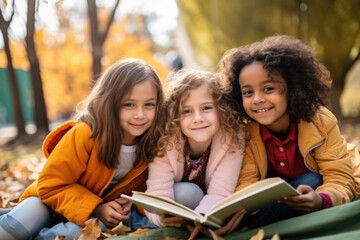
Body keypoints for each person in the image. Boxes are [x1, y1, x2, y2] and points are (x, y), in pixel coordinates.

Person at [0, 58, 164, 240]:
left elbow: (145, 189)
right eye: (129, 104)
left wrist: (131, 205)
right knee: (17, 226)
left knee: (86, 232)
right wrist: (96, 208)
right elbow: (50, 185)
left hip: (91, 217)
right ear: (109, 102)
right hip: (49, 204)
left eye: (149, 104)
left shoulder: (153, 143)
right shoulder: (86, 133)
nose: (139, 114)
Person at [217, 35, 360, 231]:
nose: (257, 99)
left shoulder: (320, 121)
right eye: (248, 92)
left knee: (311, 180)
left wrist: (321, 199)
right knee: (280, 187)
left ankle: (254, 228)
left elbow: (340, 178)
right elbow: (247, 185)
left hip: (318, 187)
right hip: (277, 194)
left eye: (268, 88)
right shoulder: (247, 133)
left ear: (292, 88)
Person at [145, 69, 247, 230]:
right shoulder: (165, 141)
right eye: (187, 111)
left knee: (194, 195)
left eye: (206, 108)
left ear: (221, 109)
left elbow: (221, 192)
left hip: (210, 203)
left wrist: (202, 219)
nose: (198, 118)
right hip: (180, 199)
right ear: (175, 116)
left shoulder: (232, 138)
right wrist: (160, 218)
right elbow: (157, 193)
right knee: (187, 193)